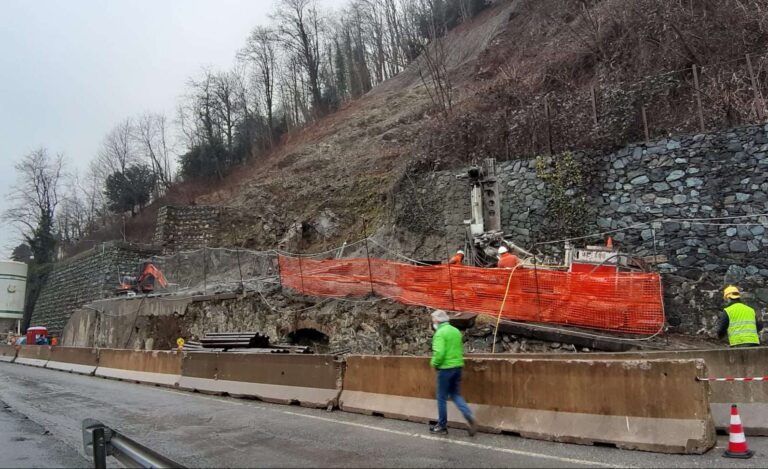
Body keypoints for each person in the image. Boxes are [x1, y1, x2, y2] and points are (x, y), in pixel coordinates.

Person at [429, 309, 477, 436]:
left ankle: (442, 426)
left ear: (438, 321)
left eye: (433, 320)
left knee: (441, 397)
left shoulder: (440, 333)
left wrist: (434, 364)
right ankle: (468, 415)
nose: (433, 323)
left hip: (445, 368)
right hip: (458, 366)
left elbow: (439, 353)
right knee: (455, 394)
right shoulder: (455, 331)